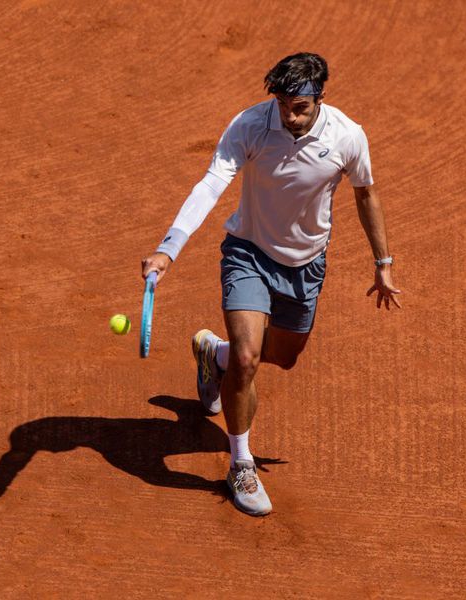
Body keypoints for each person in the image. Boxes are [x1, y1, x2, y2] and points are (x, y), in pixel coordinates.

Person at [140, 52, 401, 517]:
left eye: (298, 105)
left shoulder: (347, 136)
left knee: (282, 356)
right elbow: (211, 184)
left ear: (320, 97)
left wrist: (382, 262)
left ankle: (211, 354)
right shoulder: (250, 125)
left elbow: (366, 193)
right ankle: (241, 462)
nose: (288, 114)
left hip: (306, 266)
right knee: (248, 358)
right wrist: (169, 247)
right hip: (248, 252)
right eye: (281, 103)